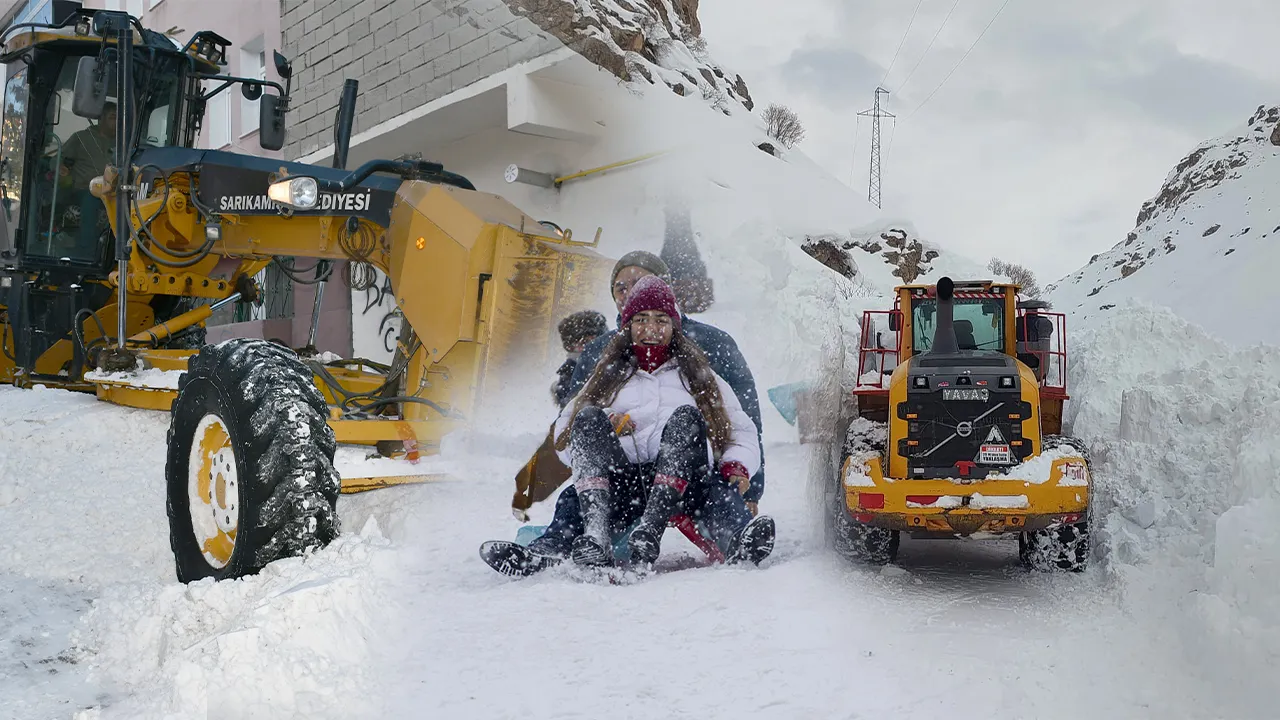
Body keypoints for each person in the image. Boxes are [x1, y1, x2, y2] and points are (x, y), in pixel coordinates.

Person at [549, 275, 775, 567]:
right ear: (628, 326)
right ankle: (567, 545)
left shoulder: (698, 375)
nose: (651, 329)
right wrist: (607, 422)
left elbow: (741, 430)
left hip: (687, 484)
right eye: (641, 320)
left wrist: (736, 465)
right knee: (584, 437)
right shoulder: (607, 375)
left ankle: (732, 540)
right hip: (622, 484)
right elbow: (566, 431)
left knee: (692, 432)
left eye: (661, 320)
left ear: (674, 327)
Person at [551, 309, 608, 406]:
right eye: (582, 342)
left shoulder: (616, 364)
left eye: (588, 342)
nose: (585, 348)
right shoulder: (569, 371)